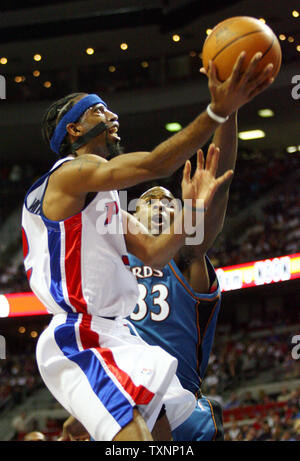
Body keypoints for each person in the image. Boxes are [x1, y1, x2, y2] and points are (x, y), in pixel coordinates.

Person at [22, 52, 274, 441]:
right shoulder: (73, 174)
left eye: (165, 202)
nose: (112, 115)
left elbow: (157, 252)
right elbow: (155, 165)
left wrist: (193, 206)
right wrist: (217, 112)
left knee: (159, 436)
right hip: (83, 332)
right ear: (73, 130)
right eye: (99, 111)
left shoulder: (106, 204)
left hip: (122, 340)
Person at [126, 102, 238, 441]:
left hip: (183, 415)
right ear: (132, 215)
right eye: (150, 201)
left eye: (167, 202)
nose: (160, 205)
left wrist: (229, 109)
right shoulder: (114, 264)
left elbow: (218, 191)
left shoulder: (186, 257)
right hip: (127, 409)